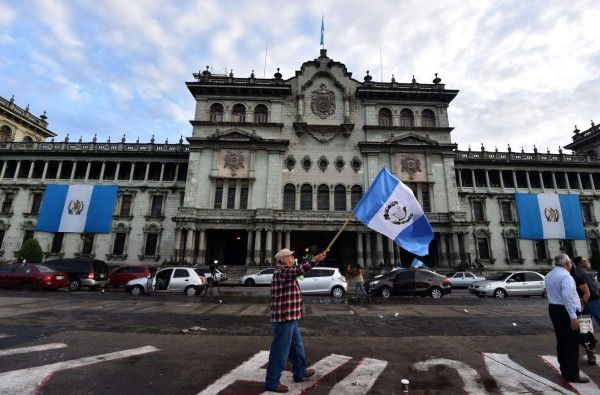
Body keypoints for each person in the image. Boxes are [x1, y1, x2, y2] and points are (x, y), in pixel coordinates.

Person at [265, 248, 326, 393]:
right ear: (283, 259)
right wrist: (314, 260)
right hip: (284, 318)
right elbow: (296, 272)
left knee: (297, 348)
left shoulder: (285, 271)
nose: (293, 257)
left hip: (291, 317)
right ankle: (272, 382)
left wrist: (315, 261)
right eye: (291, 256)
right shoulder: (282, 271)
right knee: (280, 352)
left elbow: (297, 272)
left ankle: (299, 372)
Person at [545, 253, 589, 383]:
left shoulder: (549, 275)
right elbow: (567, 297)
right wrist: (573, 316)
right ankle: (572, 374)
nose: (571, 264)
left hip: (554, 309)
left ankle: (564, 369)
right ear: (567, 263)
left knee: (562, 340)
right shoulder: (566, 276)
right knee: (571, 343)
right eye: (570, 262)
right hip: (565, 310)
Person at [573, 256, 600, 364]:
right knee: (586, 328)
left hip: (584, 304)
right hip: (592, 302)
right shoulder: (581, 273)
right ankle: (590, 353)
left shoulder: (577, 272)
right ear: (579, 263)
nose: (587, 262)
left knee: (586, 329)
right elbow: (592, 289)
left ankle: (591, 354)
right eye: (584, 261)